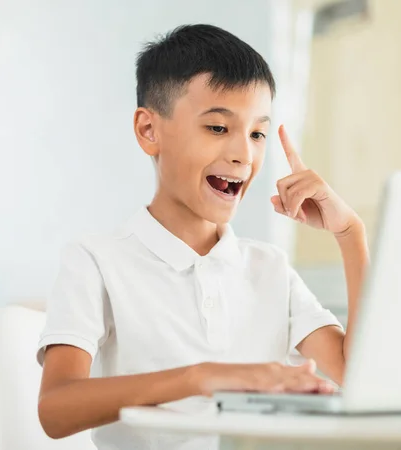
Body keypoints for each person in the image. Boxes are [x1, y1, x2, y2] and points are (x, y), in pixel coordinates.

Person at [37, 24, 369, 449]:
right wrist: (201, 377)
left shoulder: (269, 269)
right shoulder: (96, 261)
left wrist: (349, 233)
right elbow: (56, 408)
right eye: (217, 128)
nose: (243, 155)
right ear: (148, 130)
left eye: (257, 134)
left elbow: (359, 377)